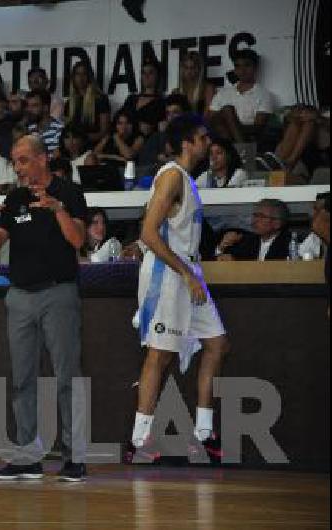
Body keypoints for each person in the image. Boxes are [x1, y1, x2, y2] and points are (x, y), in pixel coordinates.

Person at [0, 135, 89, 482]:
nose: (19, 168)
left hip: (58, 293)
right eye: (15, 161)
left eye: (24, 160)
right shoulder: (15, 198)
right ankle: (27, 458)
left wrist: (58, 211)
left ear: (43, 159)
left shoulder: (69, 193)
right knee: (23, 379)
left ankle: (75, 458)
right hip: (19, 297)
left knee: (67, 376)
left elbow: (78, 241)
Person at [125, 115, 230, 465]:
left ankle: (203, 435)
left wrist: (191, 272)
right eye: (202, 138)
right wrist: (186, 273)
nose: (208, 143)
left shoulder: (187, 179)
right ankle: (138, 440)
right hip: (168, 276)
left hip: (188, 271)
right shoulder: (171, 175)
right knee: (160, 355)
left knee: (217, 344)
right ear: (186, 142)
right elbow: (148, 234)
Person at [208, 49, 273, 144]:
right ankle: (239, 152)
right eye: (237, 66)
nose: (242, 70)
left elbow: (258, 127)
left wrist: (232, 123)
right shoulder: (223, 93)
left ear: (255, 67)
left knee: (227, 110)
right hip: (223, 138)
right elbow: (212, 119)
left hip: (247, 137)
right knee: (223, 116)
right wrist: (230, 124)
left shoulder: (263, 94)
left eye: (247, 65)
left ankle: (240, 151)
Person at [216, 199, 291, 261]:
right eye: (255, 215)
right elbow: (221, 259)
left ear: (277, 223)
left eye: (261, 216)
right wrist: (221, 248)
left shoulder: (289, 244)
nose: (255, 220)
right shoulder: (245, 241)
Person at [63, 61, 111, 146]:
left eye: (84, 74)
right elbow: (67, 130)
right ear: (73, 78)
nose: (81, 78)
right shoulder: (69, 103)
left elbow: (104, 132)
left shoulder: (100, 99)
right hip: (75, 147)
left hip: (95, 146)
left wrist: (83, 138)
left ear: (89, 77)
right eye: (77, 74)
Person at [120, 59, 166, 138]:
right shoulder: (131, 98)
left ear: (157, 76)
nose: (146, 76)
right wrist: (138, 125)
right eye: (143, 73)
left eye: (150, 73)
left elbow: (154, 126)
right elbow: (119, 118)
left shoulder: (161, 102)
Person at [171, 51, 216, 118]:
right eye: (186, 68)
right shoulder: (176, 92)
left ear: (199, 69)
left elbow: (209, 113)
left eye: (192, 68)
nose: (189, 71)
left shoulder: (208, 88)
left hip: (202, 125)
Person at [26, 89, 63, 157]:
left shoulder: (59, 129)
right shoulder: (29, 129)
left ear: (45, 108)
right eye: (28, 105)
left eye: (34, 105)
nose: (29, 109)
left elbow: (56, 160)